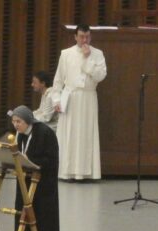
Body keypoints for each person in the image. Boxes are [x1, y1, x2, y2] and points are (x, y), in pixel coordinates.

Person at [10, 105, 60, 231]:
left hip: (42, 190)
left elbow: (50, 159)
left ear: (28, 120)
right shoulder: (20, 136)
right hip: (24, 185)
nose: (16, 125)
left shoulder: (44, 134)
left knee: (41, 226)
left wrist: (32, 164)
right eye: (14, 122)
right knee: (23, 224)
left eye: (19, 122)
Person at [52, 24, 107, 180]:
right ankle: (66, 172)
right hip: (70, 97)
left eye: (87, 36)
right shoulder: (66, 54)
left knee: (86, 133)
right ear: (75, 37)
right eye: (82, 36)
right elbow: (58, 80)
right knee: (69, 133)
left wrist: (87, 58)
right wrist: (56, 99)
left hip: (88, 98)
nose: (85, 40)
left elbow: (100, 76)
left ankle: (86, 173)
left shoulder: (97, 54)